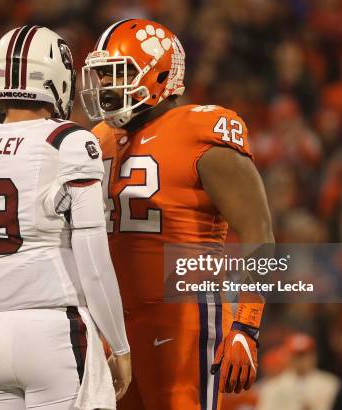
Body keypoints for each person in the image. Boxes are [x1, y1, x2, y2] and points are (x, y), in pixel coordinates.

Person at [0, 26, 131, 410]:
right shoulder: (67, 142)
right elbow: (93, 261)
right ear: (56, 79)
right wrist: (119, 344)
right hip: (53, 330)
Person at [80, 19, 274, 410]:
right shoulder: (97, 139)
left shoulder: (201, 129)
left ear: (160, 74)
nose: (106, 88)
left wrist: (246, 325)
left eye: (119, 75)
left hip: (183, 318)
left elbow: (259, 235)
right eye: (102, 77)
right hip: (114, 327)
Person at [257, 333, 339, 410]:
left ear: (313, 356)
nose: (300, 360)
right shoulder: (273, 387)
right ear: (288, 356)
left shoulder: (330, 383)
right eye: (296, 356)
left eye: (304, 355)